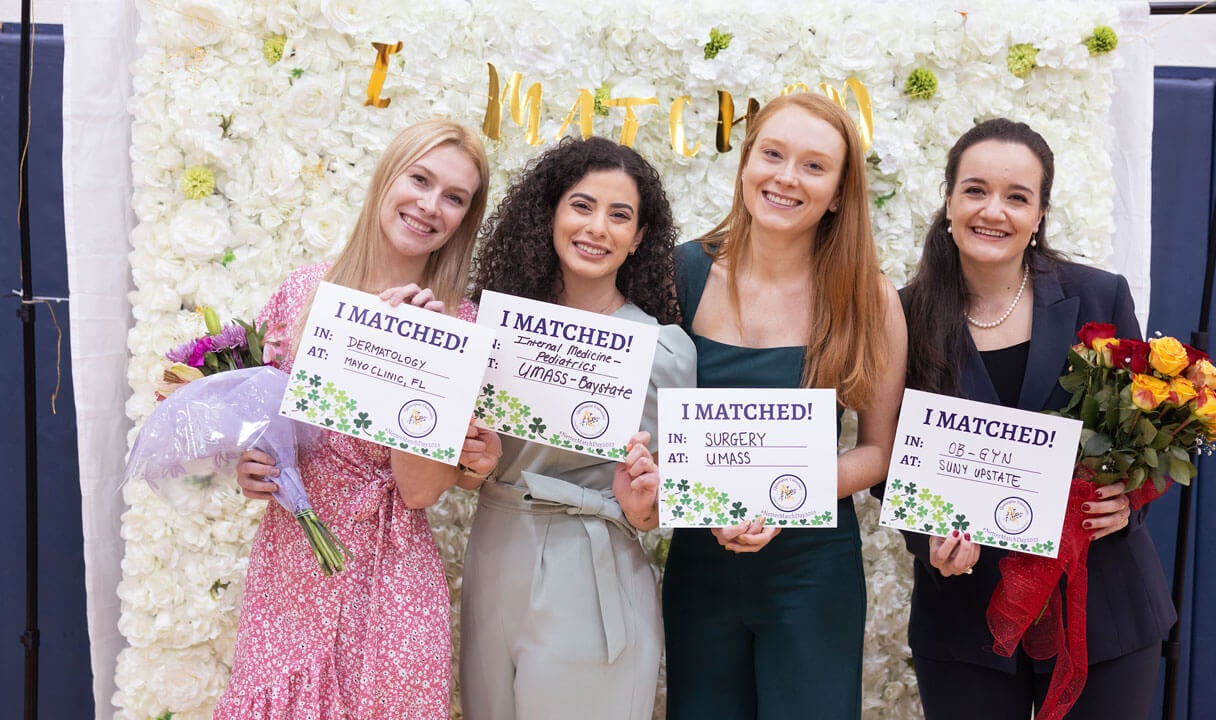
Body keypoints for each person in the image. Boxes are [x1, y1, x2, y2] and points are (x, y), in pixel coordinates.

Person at [219, 119, 501, 719]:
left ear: (465, 219)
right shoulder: (301, 293)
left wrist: (421, 352)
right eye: (420, 180)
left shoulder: (463, 326)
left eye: (454, 198)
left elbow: (421, 490)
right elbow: (267, 425)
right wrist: (251, 464)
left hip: (392, 582)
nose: (430, 206)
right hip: (290, 570)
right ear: (386, 179)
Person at [896, 118, 1176, 719]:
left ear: (1040, 213)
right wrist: (929, 540)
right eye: (975, 190)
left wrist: (1127, 500)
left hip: (1101, 607)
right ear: (948, 201)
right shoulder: (903, 315)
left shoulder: (1100, 296)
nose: (992, 210)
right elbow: (889, 459)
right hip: (965, 615)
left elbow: (1144, 436)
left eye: (1016, 196)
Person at [662, 92, 908, 719]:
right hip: (701, 564)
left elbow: (878, 452)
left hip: (812, 573)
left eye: (814, 165)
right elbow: (643, 425)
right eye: (772, 154)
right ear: (745, 162)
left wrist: (781, 492)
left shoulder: (870, 299)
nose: (786, 177)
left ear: (840, 193)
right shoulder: (679, 274)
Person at [458, 136, 696, 720]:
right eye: (582, 205)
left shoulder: (663, 351)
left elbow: (666, 507)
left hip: (593, 570)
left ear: (639, 237)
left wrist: (645, 503)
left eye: (620, 215)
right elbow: (461, 474)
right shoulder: (492, 329)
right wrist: (471, 464)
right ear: (552, 213)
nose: (597, 228)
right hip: (494, 553)